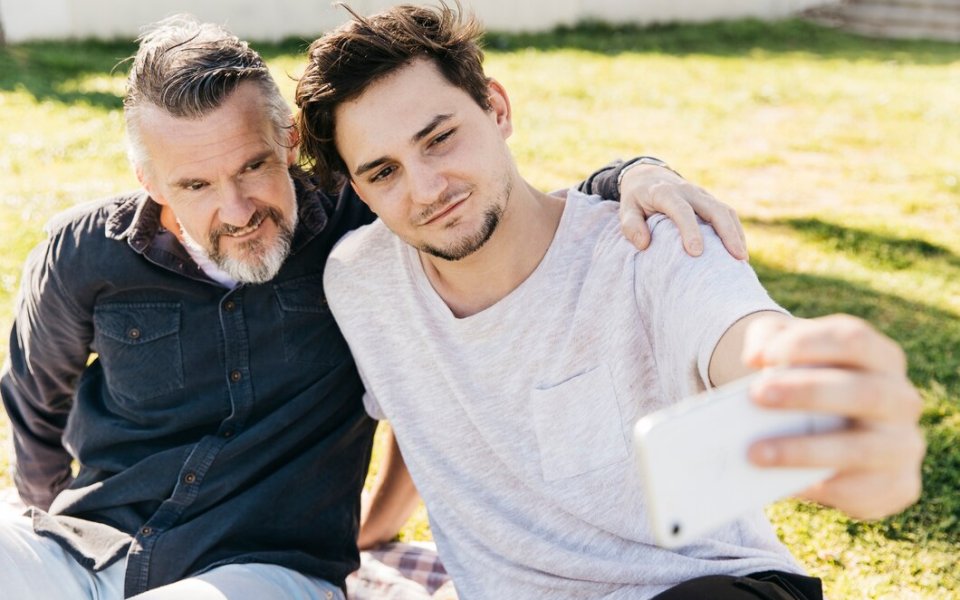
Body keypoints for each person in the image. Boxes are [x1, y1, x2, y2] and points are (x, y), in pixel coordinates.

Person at [0, 14, 746, 600]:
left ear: (288, 142)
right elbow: (33, 404)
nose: (237, 209)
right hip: (85, 545)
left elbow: (490, 208)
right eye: (194, 185)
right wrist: (54, 522)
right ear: (150, 179)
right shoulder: (84, 253)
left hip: (258, 567)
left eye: (255, 166)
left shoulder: (361, 227)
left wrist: (633, 174)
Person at [300, 4, 927, 599]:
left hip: (702, 586)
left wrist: (812, 382)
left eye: (439, 138)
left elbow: (744, 338)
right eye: (383, 172)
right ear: (357, 185)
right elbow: (429, 415)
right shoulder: (361, 283)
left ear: (496, 108)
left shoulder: (651, 244)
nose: (427, 189)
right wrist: (373, 531)